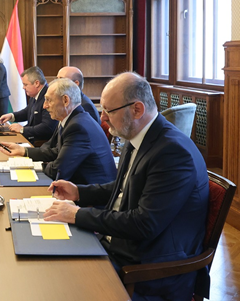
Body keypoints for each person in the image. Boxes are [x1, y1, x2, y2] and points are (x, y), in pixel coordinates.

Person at [44, 72, 209, 300]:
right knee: (50, 267)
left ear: (137, 109)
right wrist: (79, 192)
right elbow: (124, 187)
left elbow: (144, 224)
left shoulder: (172, 153)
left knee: (59, 287)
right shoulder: (139, 137)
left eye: (108, 111)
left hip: (149, 271)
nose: (102, 118)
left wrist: (77, 215)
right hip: (120, 248)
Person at [0, 79, 116, 184]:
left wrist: (37, 165)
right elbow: (57, 151)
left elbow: (58, 171)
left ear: (65, 100)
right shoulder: (72, 118)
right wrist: (23, 151)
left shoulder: (78, 127)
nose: (44, 106)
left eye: (48, 100)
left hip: (89, 194)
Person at [0, 66, 57, 143]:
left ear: (36, 83)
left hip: (40, 142)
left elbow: (47, 127)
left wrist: (23, 129)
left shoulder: (48, 96)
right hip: (32, 138)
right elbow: (28, 111)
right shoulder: (34, 95)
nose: (23, 87)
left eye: (25, 84)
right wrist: (11, 116)